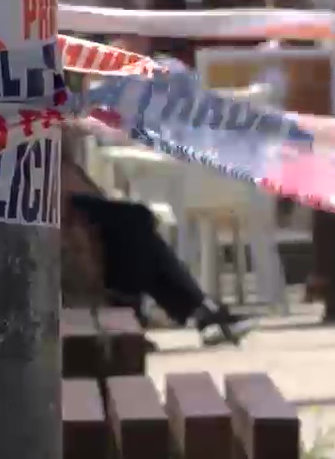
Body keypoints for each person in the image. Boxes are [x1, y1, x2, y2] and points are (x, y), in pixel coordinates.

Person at [59, 138, 249, 347]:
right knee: (134, 224)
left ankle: (196, 311)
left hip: (64, 201)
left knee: (135, 224)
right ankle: (199, 311)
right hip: (54, 208)